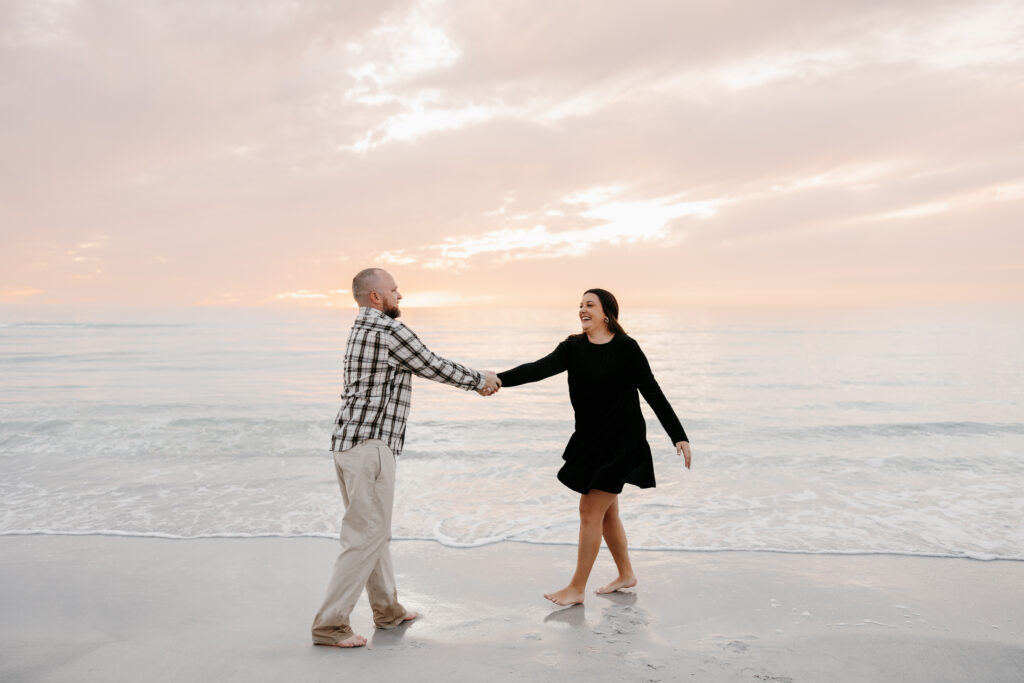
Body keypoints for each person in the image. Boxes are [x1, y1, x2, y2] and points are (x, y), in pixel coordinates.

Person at [311, 268, 501, 648]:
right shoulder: (387, 331)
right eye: (394, 290)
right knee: (366, 536)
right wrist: (481, 380)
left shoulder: (359, 330)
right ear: (376, 297)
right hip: (371, 447)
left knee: (373, 533)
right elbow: (432, 364)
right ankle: (330, 625)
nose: (401, 296)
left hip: (349, 444)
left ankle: (388, 611)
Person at [497, 288, 691, 606]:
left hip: (623, 441)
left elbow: (652, 391)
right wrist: (496, 379)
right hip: (590, 441)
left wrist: (678, 435)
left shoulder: (627, 348)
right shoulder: (573, 347)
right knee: (607, 512)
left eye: (590, 305)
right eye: (580, 305)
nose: (583, 309)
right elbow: (537, 369)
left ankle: (576, 588)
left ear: (606, 313)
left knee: (589, 510)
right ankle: (626, 573)